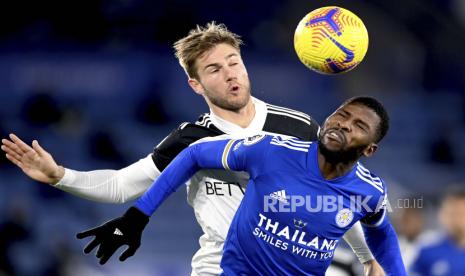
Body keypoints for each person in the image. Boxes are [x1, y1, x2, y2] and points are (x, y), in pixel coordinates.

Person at [1, 22, 381, 275]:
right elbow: (120, 186)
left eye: (234, 62)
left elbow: (335, 197)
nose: (231, 73)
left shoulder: (298, 127)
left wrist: (366, 258)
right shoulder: (190, 139)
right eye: (215, 69)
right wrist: (59, 176)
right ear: (195, 85)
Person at [76, 96, 406, 275]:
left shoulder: (369, 190)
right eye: (340, 115)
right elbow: (195, 154)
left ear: (369, 149)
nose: (342, 125)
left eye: (358, 125)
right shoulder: (271, 149)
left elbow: (381, 231)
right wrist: (139, 215)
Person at [410, 187, 465, 276]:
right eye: (453, 213)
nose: (457, 219)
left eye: (462, 213)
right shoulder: (427, 249)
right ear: (442, 215)